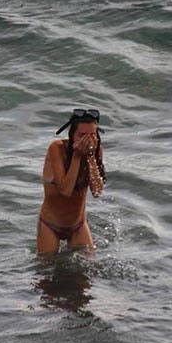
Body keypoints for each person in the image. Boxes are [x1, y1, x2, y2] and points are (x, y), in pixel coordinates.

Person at [37, 109, 106, 255]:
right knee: (44, 271)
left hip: (78, 225)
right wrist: (77, 156)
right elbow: (65, 190)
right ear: (72, 135)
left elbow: (97, 191)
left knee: (88, 270)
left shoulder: (96, 150)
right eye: (81, 136)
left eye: (92, 135)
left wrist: (91, 157)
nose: (87, 140)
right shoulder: (56, 149)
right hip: (50, 225)